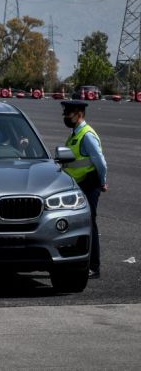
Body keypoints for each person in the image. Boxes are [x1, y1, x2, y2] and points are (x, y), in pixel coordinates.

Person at [60, 100, 108, 279]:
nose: (66, 117)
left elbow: (100, 162)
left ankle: (94, 267)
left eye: (69, 113)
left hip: (89, 184)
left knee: (89, 224)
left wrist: (103, 182)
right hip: (77, 185)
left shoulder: (86, 135)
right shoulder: (75, 134)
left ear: (79, 113)